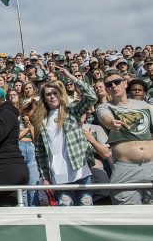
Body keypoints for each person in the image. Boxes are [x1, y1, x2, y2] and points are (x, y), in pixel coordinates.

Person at [32, 67, 97, 206]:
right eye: (48, 94)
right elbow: (40, 154)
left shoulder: (72, 111)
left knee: (86, 210)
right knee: (65, 212)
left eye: (55, 93)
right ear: (44, 98)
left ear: (60, 95)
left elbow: (92, 97)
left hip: (81, 172)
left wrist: (72, 77)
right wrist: (45, 176)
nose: (52, 96)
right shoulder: (41, 121)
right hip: (59, 176)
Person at [97, 72, 153, 204]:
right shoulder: (105, 106)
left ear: (125, 84)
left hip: (151, 166)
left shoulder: (145, 106)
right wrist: (111, 122)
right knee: (129, 217)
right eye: (108, 84)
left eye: (117, 82)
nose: (113, 86)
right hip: (125, 170)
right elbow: (105, 117)